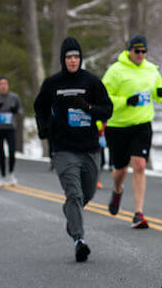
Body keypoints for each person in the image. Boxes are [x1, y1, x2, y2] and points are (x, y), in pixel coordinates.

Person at [35, 37, 114, 262]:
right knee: (74, 193)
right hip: (63, 149)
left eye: (76, 57)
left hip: (89, 148)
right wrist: (44, 127)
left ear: (80, 59)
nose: (72, 60)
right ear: (63, 59)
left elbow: (108, 109)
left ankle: (71, 212)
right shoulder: (52, 84)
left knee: (86, 194)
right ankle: (79, 240)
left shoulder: (91, 82)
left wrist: (88, 108)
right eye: (69, 57)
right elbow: (39, 107)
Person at [101, 35, 162, 228]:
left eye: (143, 51)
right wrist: (126, 101)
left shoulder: (152, 69)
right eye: (137, 51)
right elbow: (104, 97)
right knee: (120, 170)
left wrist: (160, 94)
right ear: (129, 51)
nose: (140, 54)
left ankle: (138, 213)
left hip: (142, 125)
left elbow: (156, 92)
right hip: (118, 126)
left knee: (139, 165)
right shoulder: (115, 70)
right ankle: (117, 189)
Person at [0, 76, 23, 186]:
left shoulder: (14, 97)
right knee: (1, 153)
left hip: (10, 128)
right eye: (1, 84)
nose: (3, 86)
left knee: (12, 152)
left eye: (5, 83)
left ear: (8, 85)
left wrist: (15, 110)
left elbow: (21, 111)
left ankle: (11, 173)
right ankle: (2, 176)